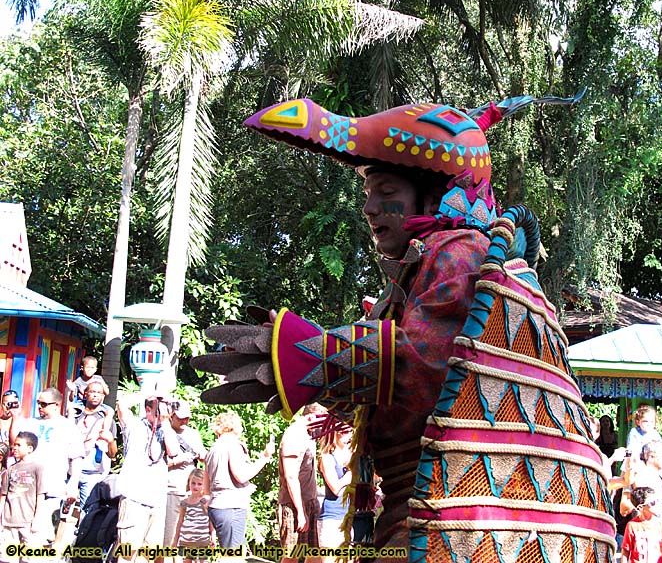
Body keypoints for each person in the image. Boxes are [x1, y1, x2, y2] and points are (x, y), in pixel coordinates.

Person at [193, 96, 615, 561]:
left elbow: (432, 360)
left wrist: (312, 356)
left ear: (435, 193)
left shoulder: (459, 251)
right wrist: (319, 365)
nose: (371, 208)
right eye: (369, 193)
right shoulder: (423, 264)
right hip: (422, 508)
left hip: (457, 520)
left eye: (387, 191)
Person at [115, 393, 180, 563]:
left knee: (148, 553)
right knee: (127, 552)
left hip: (156, 501)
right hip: (134, 498)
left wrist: (165, 421)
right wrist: (149, 393)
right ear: (147, 410)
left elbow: (173, 451)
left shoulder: (167, 430)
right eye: (158, 409)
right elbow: (122, 404)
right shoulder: (135, 426)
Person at [14, 387, 84, 544]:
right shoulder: (30, 423)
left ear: (56, 405)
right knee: (20, 536)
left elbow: (76, 458)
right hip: (26, 488)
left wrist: (73, 483)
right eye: (38, 403)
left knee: (41, 537)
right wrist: (14, 417)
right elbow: (15, 444)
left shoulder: (68, 427)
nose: (39, 407)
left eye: (44, 404)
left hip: (51, 489)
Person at [205, 411, 274, 549]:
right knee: (233, 556)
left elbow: (207, 487)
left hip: (217, 506)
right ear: (235, 427)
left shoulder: (213, 449)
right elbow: (241, 475)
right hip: (231, 507)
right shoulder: (232, 445)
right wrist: (265, 457)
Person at [278, 404, 325, 558]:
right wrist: (300, 511)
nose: (323, 427)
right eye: (322, 421)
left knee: (314, 555)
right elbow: (290, 476)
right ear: (311, 417)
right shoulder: (294, 435)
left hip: (310, 501)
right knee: (293, 556)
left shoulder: (308, 434)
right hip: (294, 505)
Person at [164, 400, 207, 549]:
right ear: (171, 415)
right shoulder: (164, 432)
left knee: (188, 536)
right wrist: (177, 460)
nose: (184, 421)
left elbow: (203, 455)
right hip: (171, 489)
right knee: (170, 536)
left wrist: (202, 455)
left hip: (191, 492)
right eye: (180, 417)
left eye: (187, 418)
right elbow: (155, 463)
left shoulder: (193, 434)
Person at [0, 432, 45, 563]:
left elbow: (40, 496)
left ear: (30, 448)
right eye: (14, 444)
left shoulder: (38, 468)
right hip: (9, 521)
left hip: (28, 521)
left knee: (30, 557)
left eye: (19, 445)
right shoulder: (10, 470)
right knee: (8, 557)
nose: (14, 447)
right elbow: (3, 495)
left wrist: (37, 520)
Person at [74, 377, 117, 509]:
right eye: (92, 391)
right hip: (71, 468)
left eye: (99, 393)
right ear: (85, 394)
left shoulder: (107, 420)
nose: (95, 395)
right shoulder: (75, 415)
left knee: (88, 510)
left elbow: (112, 454)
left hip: (93, 472)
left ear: (103, 396)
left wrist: (109, 441)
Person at [318, 425, 354, 559]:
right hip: (332, 519)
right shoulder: (327, 457)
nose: (348, 435)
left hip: (347, 518)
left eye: (350, 431)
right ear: (333, 433)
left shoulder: (350, 455)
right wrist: (350, 473)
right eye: (343, 431)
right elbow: (335, 488)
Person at [620, 486, 662, 563]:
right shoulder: (632, 525)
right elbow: (625, 551)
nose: (656, 504)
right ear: (640, 507)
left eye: (657, 500)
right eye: (652, 503)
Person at [171, 468, 214, 561]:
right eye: (193, 483)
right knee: (187, 560)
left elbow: (210, 521)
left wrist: (213, 537)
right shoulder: (184, 502)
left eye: (199, 484)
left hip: (202, 541)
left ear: (204, 485)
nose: (196, 486)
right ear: (189, 483)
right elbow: (180, 521)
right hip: (186, 541)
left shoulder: (205, 501)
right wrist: (175, 541)